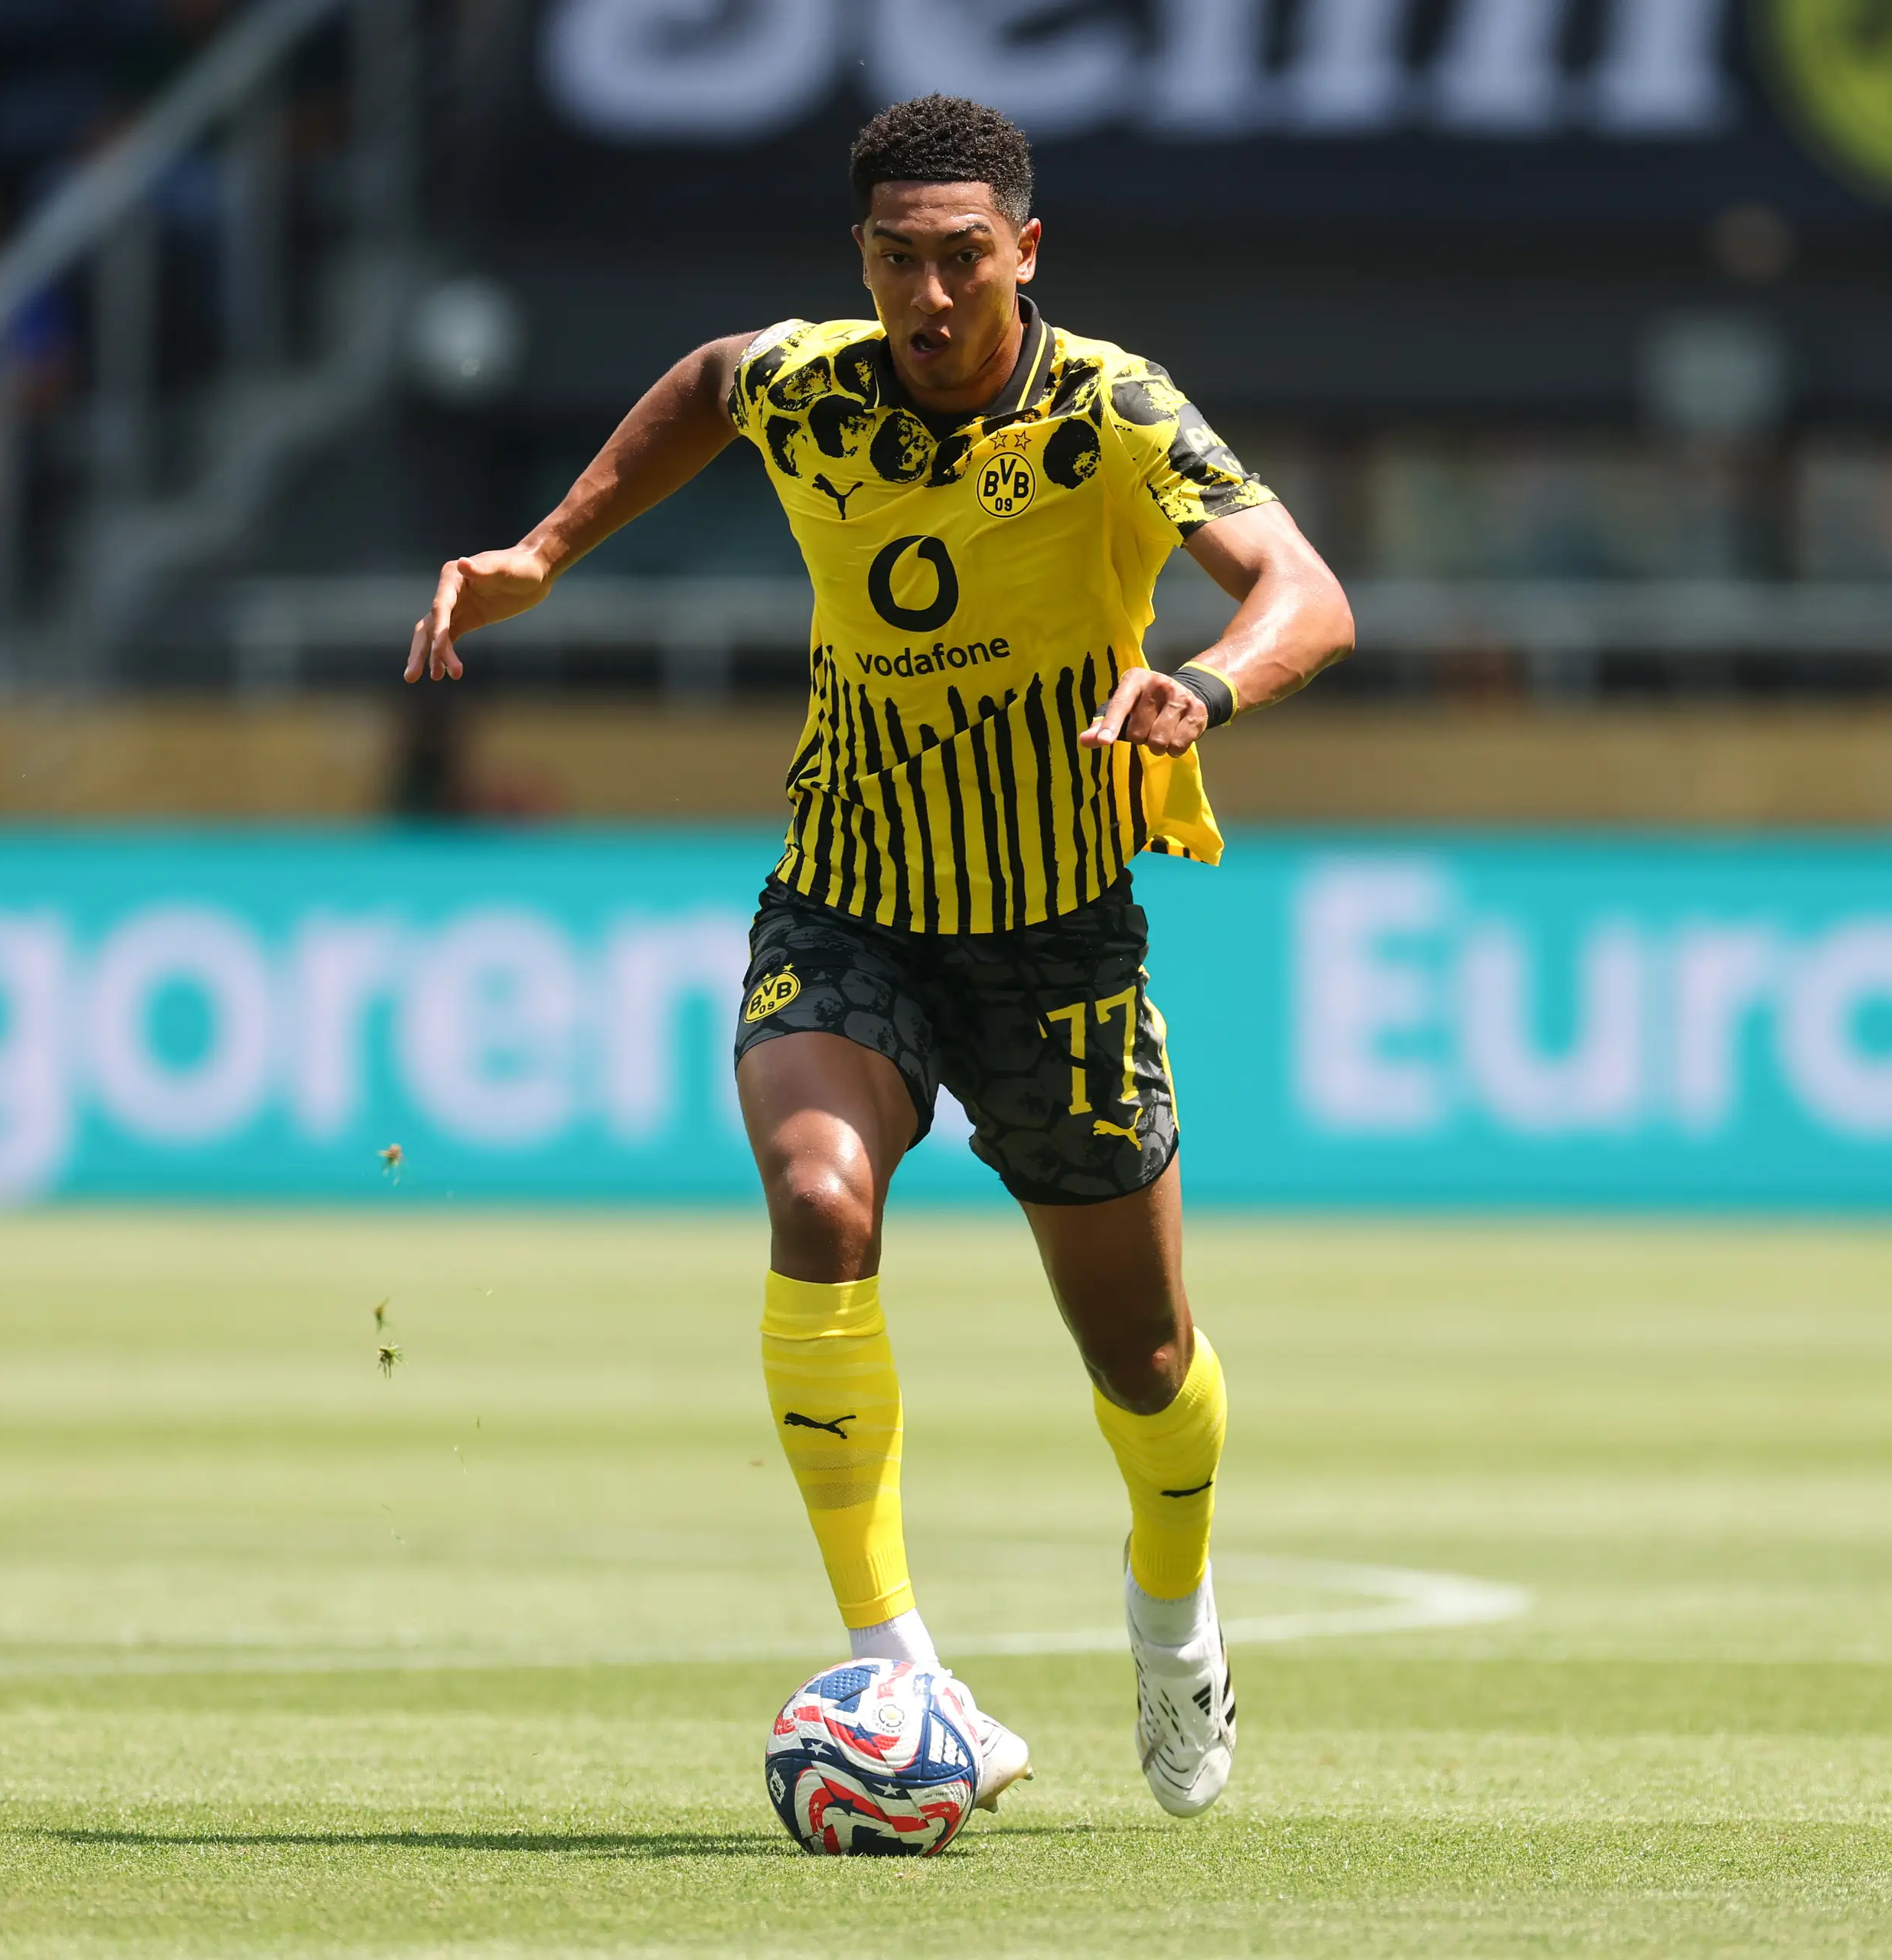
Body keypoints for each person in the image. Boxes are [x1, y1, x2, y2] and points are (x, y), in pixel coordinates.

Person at [400, 95, 1352, 1819]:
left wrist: (1204, 683)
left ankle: (1174, 1615)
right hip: (847, 901)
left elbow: (1307, 589)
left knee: (1144, 1361)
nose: (925, 296)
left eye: (960, 259)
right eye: (894, 260)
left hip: (1059, 940)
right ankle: (904, 1672)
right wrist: (545, 548)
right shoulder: (813, 379)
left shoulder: (1112, 412)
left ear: (1025, 253)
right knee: (821, 1199)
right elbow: (706, 382)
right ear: (863, 261)